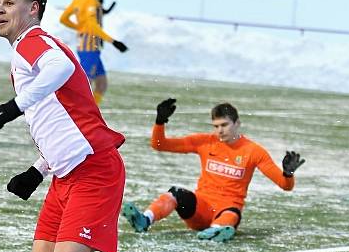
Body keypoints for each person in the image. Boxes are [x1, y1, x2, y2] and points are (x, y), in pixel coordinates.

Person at [0, 0, 172, 252]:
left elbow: (60, 66)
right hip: (65, 174)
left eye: (10, 2)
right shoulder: (25, 53)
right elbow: (60, 126)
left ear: (33, 9)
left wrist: (13, 106)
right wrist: (37, 171)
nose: (0, 10)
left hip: (94, 169)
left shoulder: (33, 42)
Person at [122, 99, 304, 243]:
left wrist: (288, 174)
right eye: (216, 126)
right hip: (200, 208)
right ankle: (144, 220)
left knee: (232, 214)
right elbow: (159, 145)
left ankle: (217, 230)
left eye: (224, 125)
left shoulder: (254, 151)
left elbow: (284, 185)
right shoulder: (205, 141)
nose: (219, 131)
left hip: (226, 209)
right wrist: (160, 122)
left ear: (237, 123)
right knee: (175, 193)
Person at [59, 0, 128, 106]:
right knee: (84, 85)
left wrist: (79, 27)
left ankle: (91, 113)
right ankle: (73, 113)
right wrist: (113, 41)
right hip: (89, 47)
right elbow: (92, 25)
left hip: (91, 48)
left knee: (102, 84)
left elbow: (64, 18)